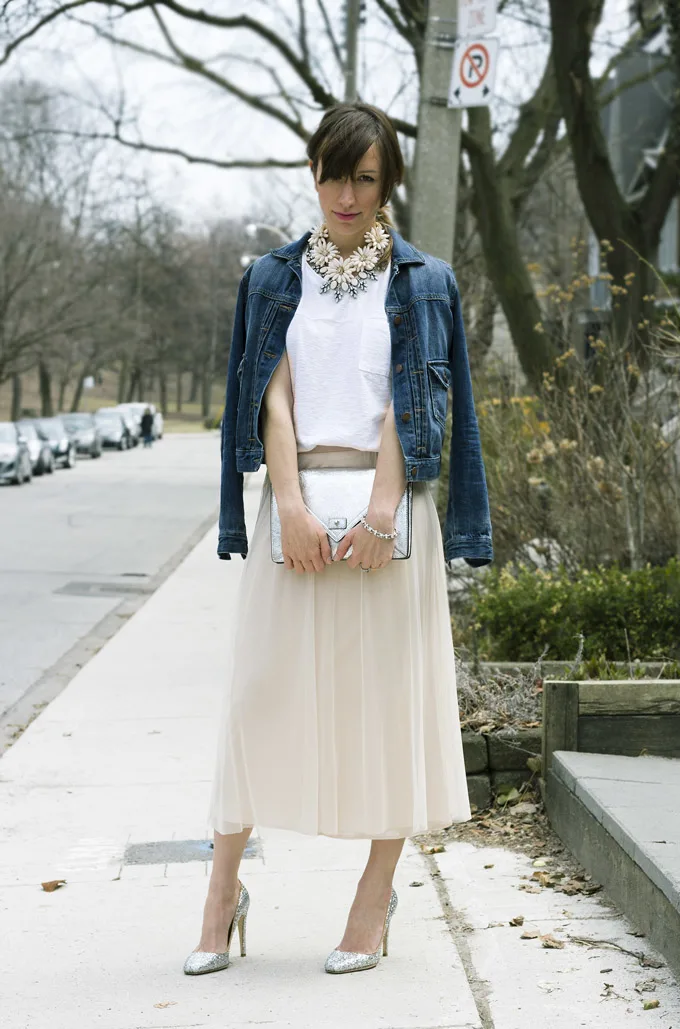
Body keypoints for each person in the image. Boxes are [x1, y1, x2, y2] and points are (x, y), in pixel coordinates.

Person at [184, 102, 493, 978]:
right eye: (333, 173)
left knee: (386, 712)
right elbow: (267, 395)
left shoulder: (425, 280)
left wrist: (385, 509)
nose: (347, 193)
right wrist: (286, 504)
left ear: (387, 180)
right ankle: (220, 892)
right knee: (257, 699)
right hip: (297, 505)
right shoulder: (272, 277)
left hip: (388, 516)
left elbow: (424, 401)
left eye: (365, 176)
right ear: (312, 173)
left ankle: (373, 896)